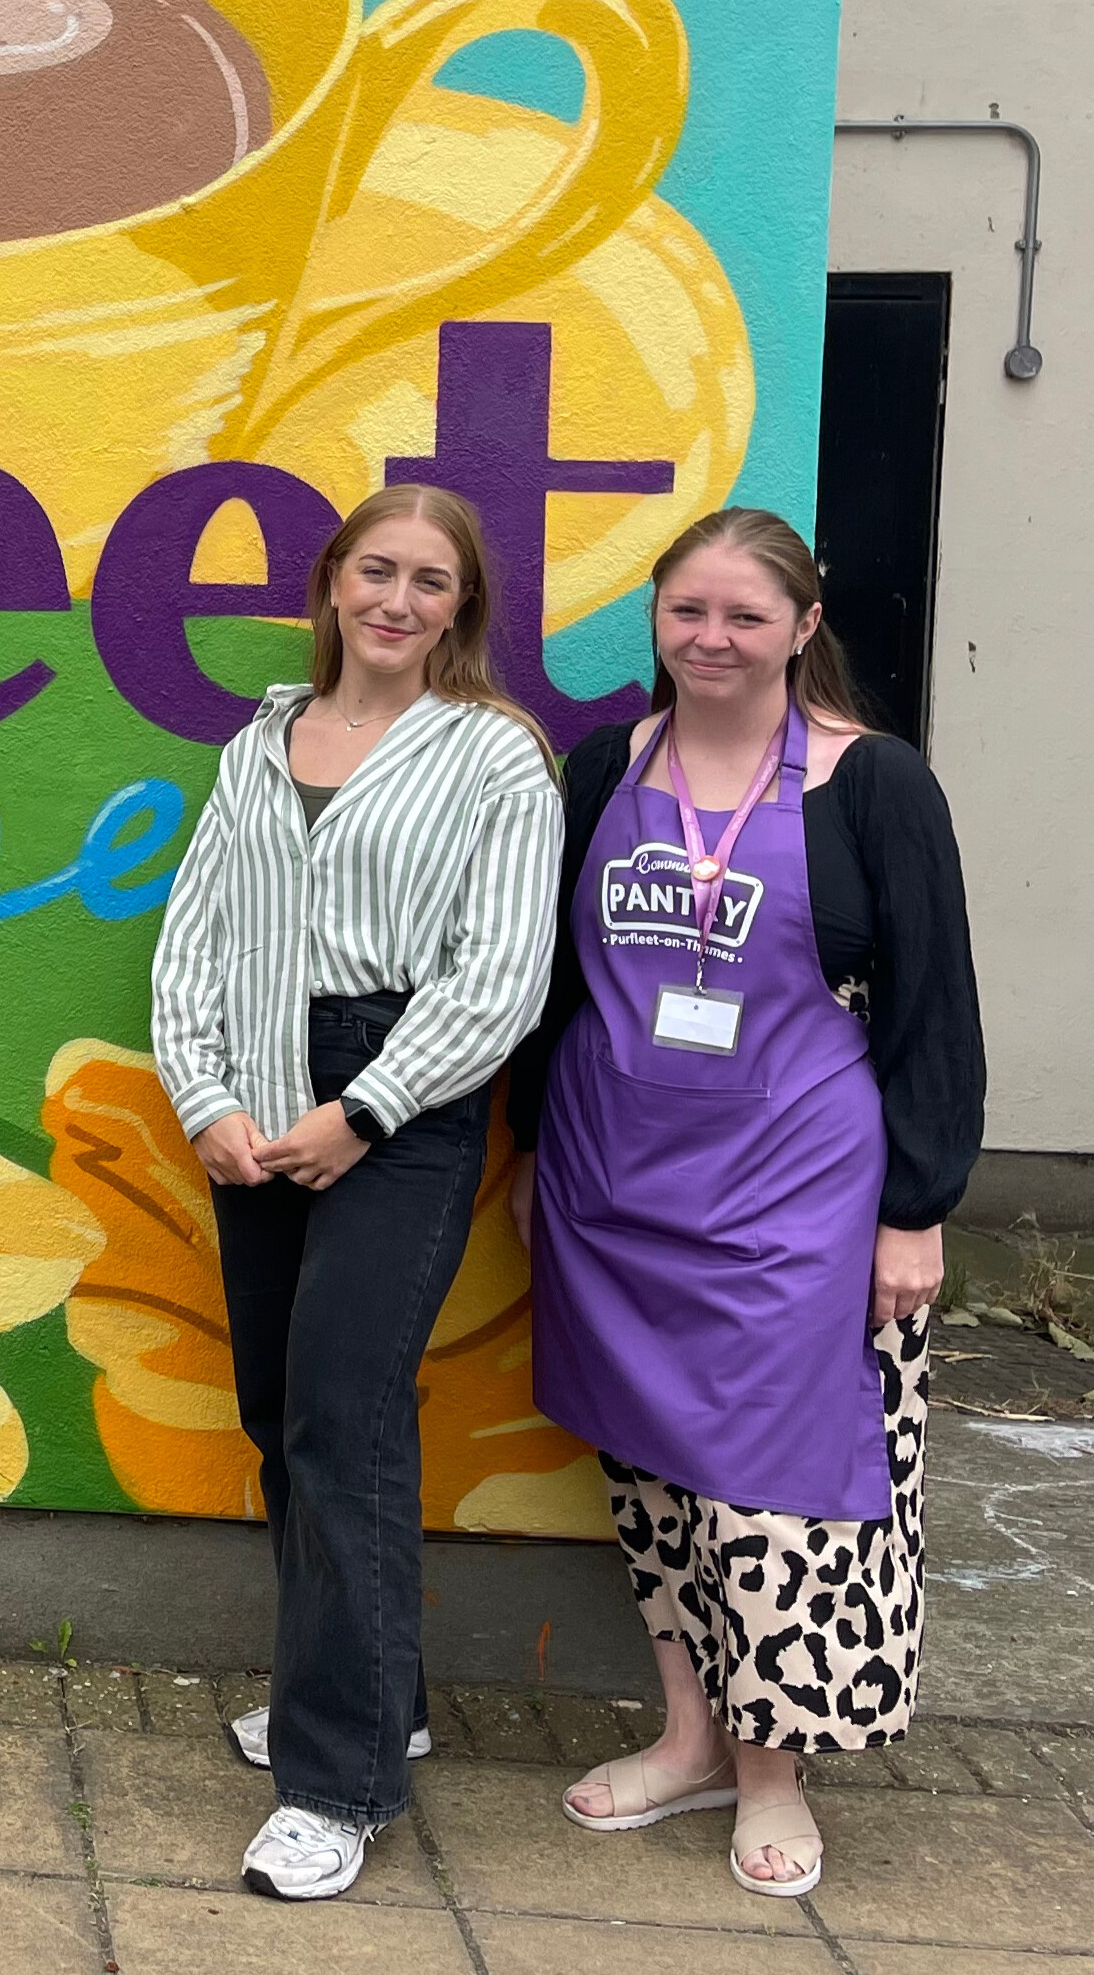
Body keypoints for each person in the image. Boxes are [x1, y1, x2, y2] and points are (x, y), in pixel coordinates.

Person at [510, 506, 982, 1897]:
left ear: (802, 626)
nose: (710, 639)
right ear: (652, 622)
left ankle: (774, 1772)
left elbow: (934, 1010)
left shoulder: (873, 786)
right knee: (652, 1474)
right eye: (684, 613)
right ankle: (688, 1738)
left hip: (796, 1195)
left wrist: (916, 1204)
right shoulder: (608, 764)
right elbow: (553, 982)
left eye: (742, 615)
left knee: (773, 1487)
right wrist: (535, 1152)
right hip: (614, 1180)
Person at [149, 484, 562, 1901]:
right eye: (374, 569)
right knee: (277, 1405)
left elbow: (497, 974)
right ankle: (372, 1684)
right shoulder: (257, 745)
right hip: (257, 1092)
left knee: (342, 1411)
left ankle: (336, 1778)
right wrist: (205, 1093)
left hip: (404, 1102)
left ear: (461, 609)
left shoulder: (494, 758)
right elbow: (191, 937)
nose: (395, 599)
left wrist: (366, 1107)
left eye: (428, 581)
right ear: (329, 584)